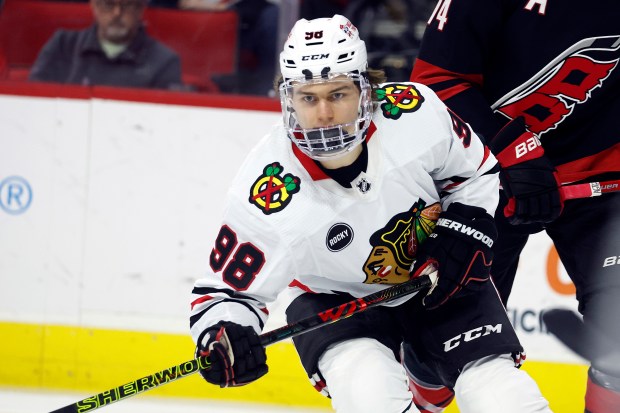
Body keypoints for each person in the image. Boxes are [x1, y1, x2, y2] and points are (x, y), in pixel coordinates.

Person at [189, 14, 552, 413]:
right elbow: (223, 296)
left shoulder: (415, 113)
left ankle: (425, 368)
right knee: (369, 394)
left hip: (434, 274)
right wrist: (223, 335)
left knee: (501, 395)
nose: (324, 114)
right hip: (332, 300)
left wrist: (465, 229)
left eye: (338, 94)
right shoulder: (267, 192)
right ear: (288, 99)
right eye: (308, 98)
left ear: (367, 91)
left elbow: (476, 173)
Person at [408, 1, 620, 412]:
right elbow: (434, 81)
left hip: (602, 175)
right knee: (445, 343)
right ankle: (423, 374)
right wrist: (511, 149)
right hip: (486, 174)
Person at [29, 0, 182, 89]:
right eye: (108, 4)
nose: (116, 13)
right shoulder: (62, 45)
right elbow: (36, 104)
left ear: (141, 9)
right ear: (93, 5)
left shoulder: (165, 61)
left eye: (127, 5)